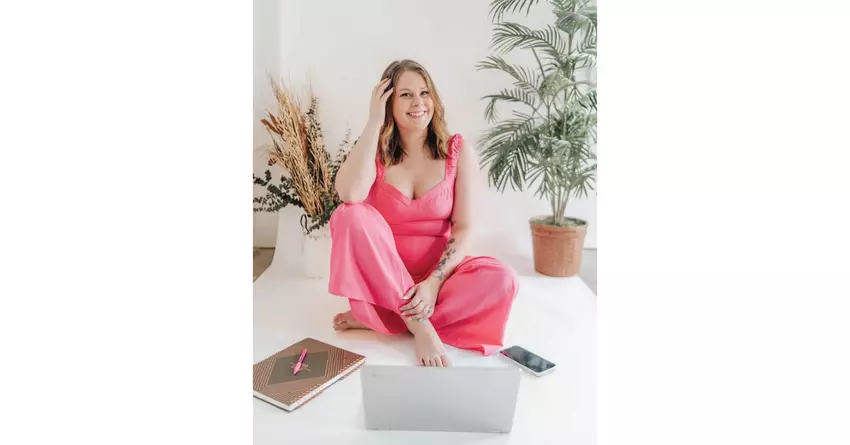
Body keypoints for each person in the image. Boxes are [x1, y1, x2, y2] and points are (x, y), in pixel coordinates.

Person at [328, 59, 519, 367]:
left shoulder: (457, 150)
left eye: (424, 92)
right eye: (405, 95)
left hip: (438, 279)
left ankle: (384, 317)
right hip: (384, 276)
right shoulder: (373, 151)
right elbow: (350, 194)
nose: (418, 102)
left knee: (503, 279)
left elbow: (463, 227)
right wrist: (374, 122)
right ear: (388, 102)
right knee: (349, 215)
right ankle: (418, 324)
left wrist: (432, 284)